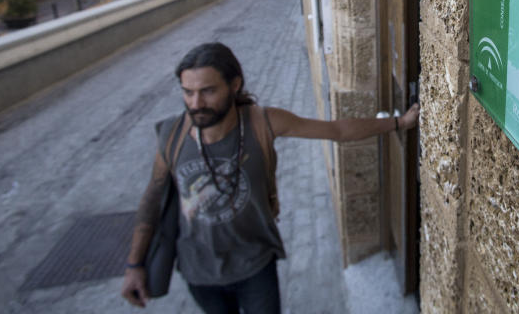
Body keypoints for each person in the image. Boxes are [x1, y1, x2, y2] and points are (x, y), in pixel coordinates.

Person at [121, 42, 419, 313]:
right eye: (188, 92)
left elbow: (337, 131)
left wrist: (398, 123)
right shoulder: (171, 136)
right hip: (198, 271)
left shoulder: (261, 122)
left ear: (234, 84)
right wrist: (135, 264)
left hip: (255, 266)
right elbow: (152, 198)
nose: (196, 103)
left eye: (208, 91)